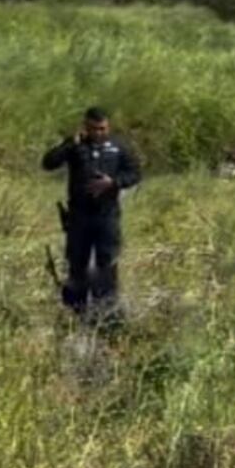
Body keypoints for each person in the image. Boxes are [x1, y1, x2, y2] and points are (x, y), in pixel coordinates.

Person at [42, 107, 141, 316]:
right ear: (85, 127)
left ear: (108, 126)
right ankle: (76, 312)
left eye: (102, 128)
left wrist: (114, 183)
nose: (98, 133)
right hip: (79, 216)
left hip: (107, 216)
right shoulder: (75, 146)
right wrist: (70, 143)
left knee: (107, 262)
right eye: (94, 129)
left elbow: (134, 173)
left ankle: (106, 311)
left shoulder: (118, 147)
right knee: (77, 262)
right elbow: (48, 163)